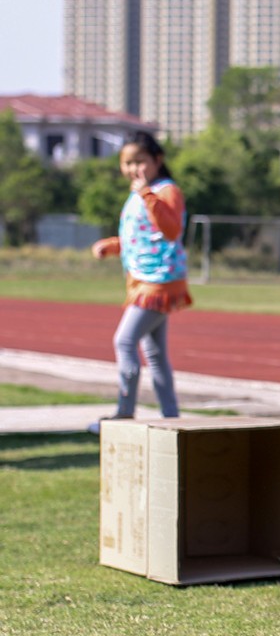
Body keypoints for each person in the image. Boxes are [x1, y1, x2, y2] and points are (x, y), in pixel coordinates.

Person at [91, 132, 190, 420]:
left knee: (124, 341)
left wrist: (147, 194)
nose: (134, 169)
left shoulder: (165, 191)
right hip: (144, 280)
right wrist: (111, 246)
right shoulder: (139, 195)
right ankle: (171, 417)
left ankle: (124, 412)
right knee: (155, 354)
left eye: (140, 161)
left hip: (159, 282)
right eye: (127, 163)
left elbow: (171, 230)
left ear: (157, 160)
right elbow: (142, 238)